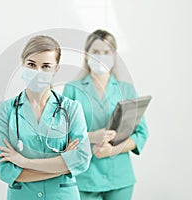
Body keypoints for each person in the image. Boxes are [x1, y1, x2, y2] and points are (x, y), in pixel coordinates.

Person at [0, 35, 92, 200]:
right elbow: (5, 171)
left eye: (46, 66)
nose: (38, 72)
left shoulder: (72, 108)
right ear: (22, 64)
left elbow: (81, 160)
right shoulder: (5, 111)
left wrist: (25, 162)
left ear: (56, 69)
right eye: (31, 64)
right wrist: (63, 164)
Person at [62, 29, 149, 200]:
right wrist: (92, 137)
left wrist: (112, 150)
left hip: (120, 179)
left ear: (114, 55)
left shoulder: (126, 90)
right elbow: (62, 134)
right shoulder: (72, 89)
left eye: (106, 52)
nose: (100, 56)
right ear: (86, 54)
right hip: (84, 178)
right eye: (95, 51)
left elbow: (141, 133)